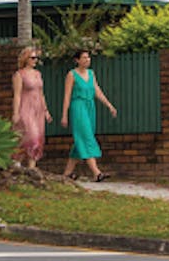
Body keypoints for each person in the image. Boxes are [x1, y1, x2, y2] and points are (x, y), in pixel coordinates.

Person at [61, 49, 117, 181]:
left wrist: (109, 105)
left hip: (90, 107)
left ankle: (66, 174)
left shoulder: (91, 73)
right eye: (84, 58)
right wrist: (64, 115)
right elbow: (67, 96)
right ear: (77, 60)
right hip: (78, 107)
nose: (87, 60)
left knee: (81, 140)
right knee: (86, 137)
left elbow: (97, 91)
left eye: (88, 57)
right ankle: (97, 173)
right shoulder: (72, 75)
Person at [12, 46, 52, 169]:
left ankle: (32, 169)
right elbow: (17, 95)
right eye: (33, 58)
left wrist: (46, 111)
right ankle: (16, 163)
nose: (35, 60)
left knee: (38, 138)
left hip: (38, 109)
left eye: (36, 58)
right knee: (29, 137)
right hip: (26, 108)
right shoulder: (19, 75)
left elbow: (41, 93)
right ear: (26, 59)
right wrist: (16, 113)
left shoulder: (38, 74)